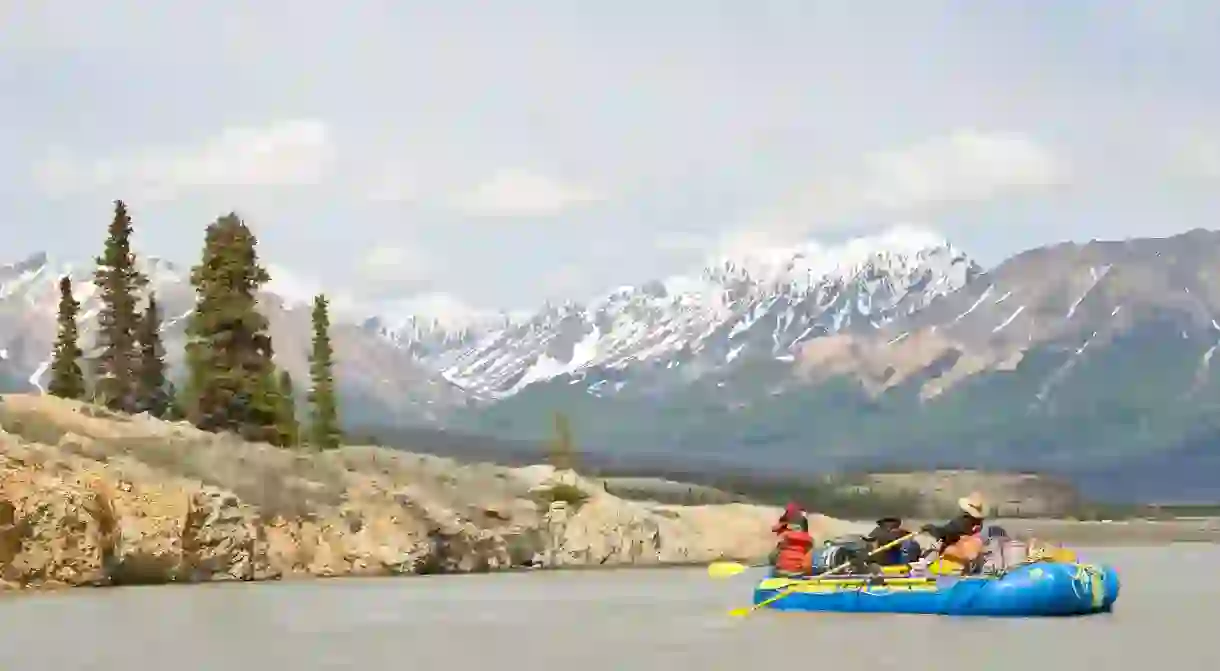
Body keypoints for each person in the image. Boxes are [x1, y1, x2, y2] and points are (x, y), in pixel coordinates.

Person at [921, 492, 987, 574]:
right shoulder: (978, 524)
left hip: (956, 559)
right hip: (970, 559)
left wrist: (930, 528)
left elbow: (944, 532)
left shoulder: (962, 521)